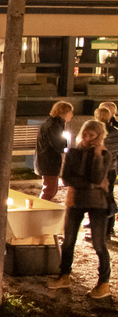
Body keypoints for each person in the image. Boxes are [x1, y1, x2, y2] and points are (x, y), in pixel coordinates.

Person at [48, 120, 112, 298]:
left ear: (99, 136)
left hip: (98, 203)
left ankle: (104, 283)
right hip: (76, 201)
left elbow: (98, 176)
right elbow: (67, 178)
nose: (87, 138)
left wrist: (97, 156)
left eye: (91, 135)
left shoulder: (105, 155)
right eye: (85, 134)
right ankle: (64, 275)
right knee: (68, 241)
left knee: (99, 244)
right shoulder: (74, 153)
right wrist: (91, 185)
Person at [35, 101, 74, 201]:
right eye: (71, 112)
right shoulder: (53, 125)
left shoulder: (55, 124)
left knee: (52, 189)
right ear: (63, 113)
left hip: (49, 161)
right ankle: (41, 209)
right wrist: (65, 142)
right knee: (49, 190)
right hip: (48, 161)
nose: (72, 115)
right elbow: (58, 145)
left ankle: (42, 208)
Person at [99, 105, 118, 237]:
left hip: (100, 169)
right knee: (108, 195)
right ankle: (108, 227)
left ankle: (103, 227)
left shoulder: (98, 131)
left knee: (101, 197)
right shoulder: (115, 132)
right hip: (111, 168)